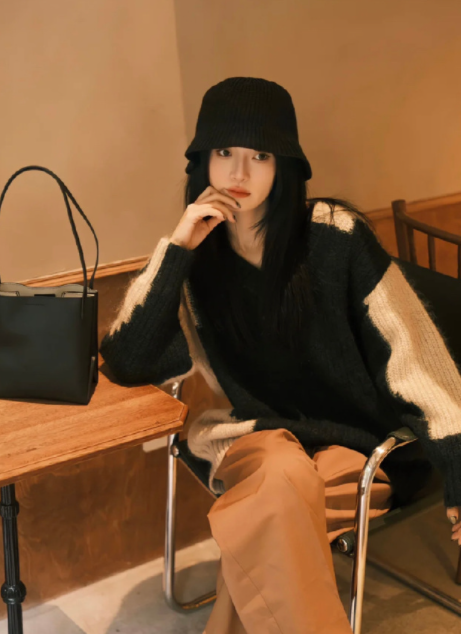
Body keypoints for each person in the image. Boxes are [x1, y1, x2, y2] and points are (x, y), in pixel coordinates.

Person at [99, 77, 461, 633]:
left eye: (260, 156)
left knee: (271, 509)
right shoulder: (195, 257)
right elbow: (128, 361)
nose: (240, 173)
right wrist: (177, 250)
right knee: (280, 474)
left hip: (356, 449)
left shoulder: (336, 237)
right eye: (225, 152)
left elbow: (414, 356)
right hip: (252, 437)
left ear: (285, 165)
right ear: (203, 160)